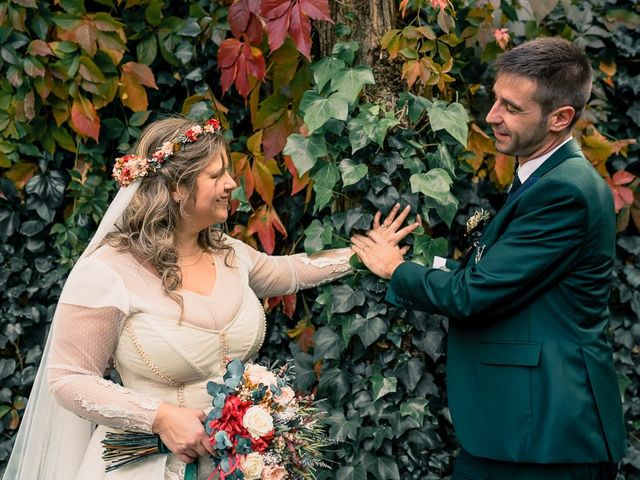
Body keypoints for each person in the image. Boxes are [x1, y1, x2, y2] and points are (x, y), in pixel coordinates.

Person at [4, 116, 419, 480]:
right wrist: (161, 417)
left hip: (240, 465)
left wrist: (365, 254)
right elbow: (67, 379)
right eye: (217, 174)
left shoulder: (230, 252)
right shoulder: (108, 271)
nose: (232, 185)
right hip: (147, 465)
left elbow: (291, 271)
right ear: (178, 189)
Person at [351, 37, 626, 479]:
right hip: (519, 432)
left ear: (560, 118)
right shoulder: (545, 177)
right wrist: (430, 265)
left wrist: (394, 269)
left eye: (512, 108)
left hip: (544, 438)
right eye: (495, 99)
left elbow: (475, 293)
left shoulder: (565, 191)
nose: (492, 116)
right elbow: (503, 278)